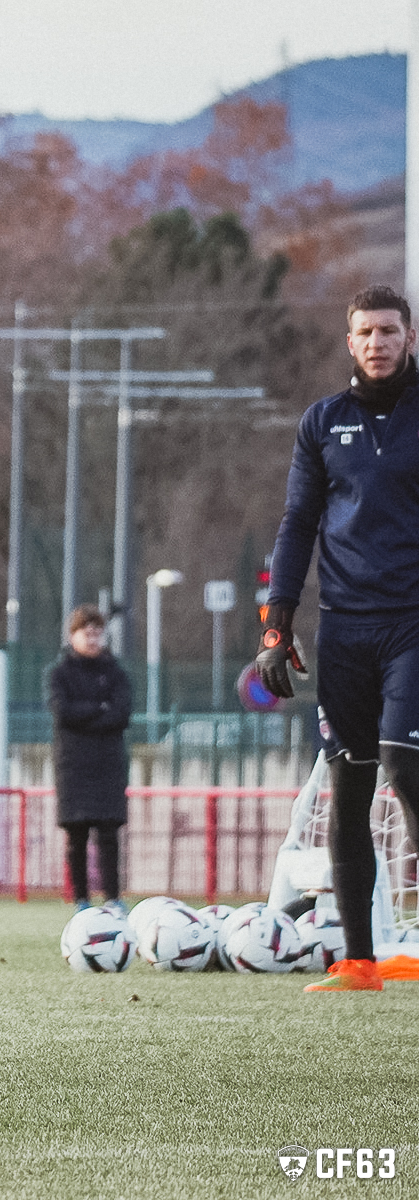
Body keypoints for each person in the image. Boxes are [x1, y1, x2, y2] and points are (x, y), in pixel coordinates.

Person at [257, 284, 419, 993]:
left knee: (404, 763)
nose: (378, 343)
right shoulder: (322, 422)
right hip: (344, 630)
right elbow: (298, 523)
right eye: (366, 333)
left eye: (389, 330)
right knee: (348, 789)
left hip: (412, 623)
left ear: (409, 337)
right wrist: (276, 623)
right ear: (349, 341)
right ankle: (358, 961)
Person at [47, 604, 133, 916]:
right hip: (73, 766)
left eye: (98, 633)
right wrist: (100, 708)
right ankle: (80, 900)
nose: (93, 639)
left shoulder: (116, 673)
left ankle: (113, 898)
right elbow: (63, 712)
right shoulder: (60, 674)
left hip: (108, 764)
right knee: (76, 835)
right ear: (73, 636)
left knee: (109, 834)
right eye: (88, 633)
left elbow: (121, 714)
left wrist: (86, 714)